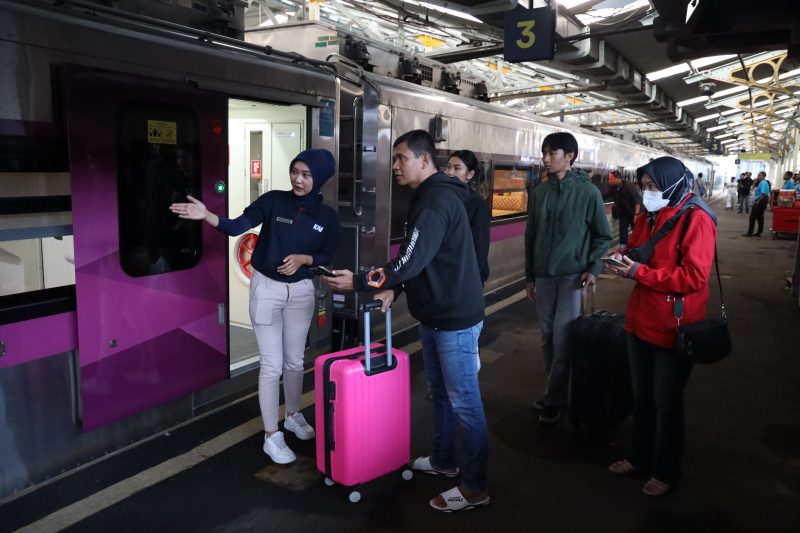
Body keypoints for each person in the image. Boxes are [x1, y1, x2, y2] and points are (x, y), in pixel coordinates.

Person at [322, 130, 489, 512]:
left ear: (425, 160)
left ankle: (476, 486)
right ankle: (445, 461)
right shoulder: (429, 197)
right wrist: (393, 291)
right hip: (435, 316)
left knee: (465, 401)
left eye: (400, 158)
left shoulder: (434, 202)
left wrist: (361, 281)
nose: (394, 165)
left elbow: (409, 261)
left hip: (454, 321)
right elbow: (423, 261)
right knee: (443, 395)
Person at [170, 149, 339, 464]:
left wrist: (305, 260)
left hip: (301, 291)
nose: (298, 179)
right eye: (295, 171)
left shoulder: (327, 217)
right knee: (272, 365)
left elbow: (327, 256)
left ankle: (292, 414)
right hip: (266, 290)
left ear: (320, 179)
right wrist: (207, 215)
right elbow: (236, 226)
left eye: (306, 174)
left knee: (294, 361)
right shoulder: (274, 200)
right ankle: (271, 435)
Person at [605, 156, 716, 497]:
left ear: (672, 184)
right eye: (644, 185)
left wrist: (639, 273)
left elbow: (695, 277)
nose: (647, 192)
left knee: (667, 402)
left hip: (674, 326)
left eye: (653, 186)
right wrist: (623, 255)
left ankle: (666, 471)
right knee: (642, 397)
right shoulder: (650, 215)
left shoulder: (697, 219)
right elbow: (640, 251)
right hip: (641, 321)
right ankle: (639, 457)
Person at [524, 132, 612, 424]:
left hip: (573, 276)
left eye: (552, 153)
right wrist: (530, 276)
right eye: (544, 153)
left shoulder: (588, 193)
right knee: (547, 338)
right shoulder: (538, 192)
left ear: (570, 156)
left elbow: (603, 236)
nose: (546, 159)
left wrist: (594, 268)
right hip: (544, 277)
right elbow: (531, 236)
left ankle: (555, 399)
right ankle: (557, 393)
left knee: (562, 338)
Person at [445, 149, 490, 285]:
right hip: (446, 274)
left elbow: (480, 246)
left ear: (469, 174)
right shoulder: (444, 198)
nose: (450, 172)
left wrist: (473, 278)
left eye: (457, 168)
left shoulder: (476, 203)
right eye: (448, 167)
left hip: (466, 277)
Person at [602, 170, 641, 246]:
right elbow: (604, 196)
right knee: (622, 230)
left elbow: (637, 200)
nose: (610, 181)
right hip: (624, 212)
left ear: (618, 178)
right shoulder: (614, 188)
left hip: (634, 212)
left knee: (636, 230)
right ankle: (623, 247)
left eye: (611, 179)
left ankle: (637, 246)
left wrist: (636, 214)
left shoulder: (628, 186)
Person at [742, 171, 770, 237]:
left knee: (752, 217)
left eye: (759, 175)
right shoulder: (763, 183)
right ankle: (759, 232)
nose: (758, 176)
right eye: (758, 175)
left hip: (760, 201)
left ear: (763, 176)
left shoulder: (763, 183)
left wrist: (758, 201)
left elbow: (763, 194)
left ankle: (750, 232)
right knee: (760, 217)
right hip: (762, 201)